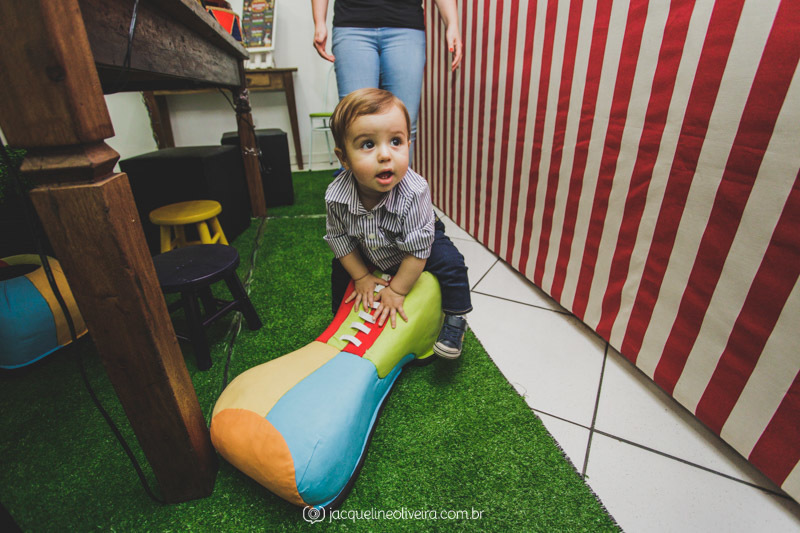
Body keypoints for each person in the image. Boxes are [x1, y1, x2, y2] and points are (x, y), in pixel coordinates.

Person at [324, 88, 471, 359]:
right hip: (369, 242)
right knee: (339, 268)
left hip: (416, 238)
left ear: (408, 145)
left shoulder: (414, 191)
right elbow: (340, 241)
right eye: (368, 144)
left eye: (396, 142)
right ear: (343, 157)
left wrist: (396, 290)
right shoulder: (336, 196)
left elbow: (417, 251)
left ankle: (455, 318)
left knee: (452, 263)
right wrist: (361, 276)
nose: (385, 155)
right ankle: (340, 320)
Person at [311, 0, 463, 164]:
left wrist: (452, 23)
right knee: (353, 122)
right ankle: (352, 189)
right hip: (351, 23)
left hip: (406, 24)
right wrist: (319, 22)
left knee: (404, 125)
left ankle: (401, 189)